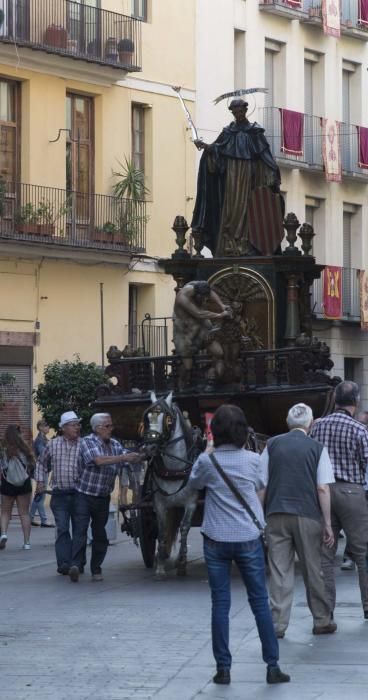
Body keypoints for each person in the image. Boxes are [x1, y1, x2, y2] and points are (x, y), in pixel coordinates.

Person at [189, 405, 290, 686]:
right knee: (259, 602)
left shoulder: (207, 462)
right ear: (243, 431)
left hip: (216, 539)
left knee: (220, 605)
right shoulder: (253, 460)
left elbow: (193, 483)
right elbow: (260, 483)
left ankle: (223, 668)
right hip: (247, 537)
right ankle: (272, 666)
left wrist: (208, 450)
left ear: (216, 433)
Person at [260, 403, 336, 638]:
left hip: (276, 514)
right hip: (307, 515)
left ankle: (277, 625)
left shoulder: (271, 446)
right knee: (313, 569)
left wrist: (259, 517)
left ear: (287, 422)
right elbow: (322, 488)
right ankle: (322, 620)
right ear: (311, 424)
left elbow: (261, 485)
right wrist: (328, 523)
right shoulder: (317, 448)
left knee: (280, 571)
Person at [191, 99, 282, 256]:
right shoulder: (228, 132)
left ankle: (246, 243)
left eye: (240, 111)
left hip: (250, 176)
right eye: (235, 112)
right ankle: (230, 242)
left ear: (245, 111)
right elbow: (216, 149)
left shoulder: (255, 132)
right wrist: (205, 146)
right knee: (231, 210)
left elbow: (265, 157)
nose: (238, 114)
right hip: (232, 176)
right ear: (232, 113)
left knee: (247, 207)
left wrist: (273, 172)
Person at [310, 381, 368, 619]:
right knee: (363, 552)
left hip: (323, 491)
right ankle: (367, 605)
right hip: (352, 493)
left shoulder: (317, 427)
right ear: (355, 401)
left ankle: (326, 609)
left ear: (335, 401)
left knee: (325, 554)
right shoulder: (360, 430)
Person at [69, 413, 142, 583]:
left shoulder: (115, 444)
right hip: (83, 495)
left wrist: (141, 454)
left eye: (111, 425)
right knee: (80, 530)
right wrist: (124, 457)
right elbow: (99, 461)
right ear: (98, 428)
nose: (111, 429)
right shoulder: (87, 442)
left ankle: (96, 569)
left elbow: (128, 456)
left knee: (100, 534)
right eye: (108, 426)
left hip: (102, 497)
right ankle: (76, 565)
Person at [34, 411, 82, 576]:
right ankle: (64, 564)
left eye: (78, 424)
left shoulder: (84, 445)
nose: (77, 427)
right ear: (63, 428)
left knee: (79, 529)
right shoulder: (52, 445)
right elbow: (41, 464)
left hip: (79, 495)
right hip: (59, 494)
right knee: (62, 529)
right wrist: (40, 482)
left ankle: (77, 563)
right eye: (73, 424)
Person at [173, 280, 231, 387]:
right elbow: (198, 313)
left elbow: (211, 292)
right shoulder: (182, 297)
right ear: (197, 294)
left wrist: (221, 305)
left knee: (219, 353)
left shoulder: (198, 286)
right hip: (185, 333)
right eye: (203, 297)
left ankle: (212, 379)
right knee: (188, 367)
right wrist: (220, 315)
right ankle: (181, 385)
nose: (205, 300)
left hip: (202, 327)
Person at [0, 424, 36, 550]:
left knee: (5, 512)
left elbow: (2, 468)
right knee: (24, 513)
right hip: (24, 483)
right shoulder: (25, 449)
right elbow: (32, 466)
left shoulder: (3, 449)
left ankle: (3, 534)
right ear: (19, 434)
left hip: (7, 483)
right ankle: (27, 542)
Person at [30, 419, 54, 528]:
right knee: (41, 495)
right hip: (41, 469)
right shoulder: (40, 440)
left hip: (43, 469)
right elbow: (43, 454)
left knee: (38, 495)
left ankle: (30, 518)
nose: (48, 428)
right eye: (46, 426)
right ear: (40, 427)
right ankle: (44, 520)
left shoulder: (44, 439)